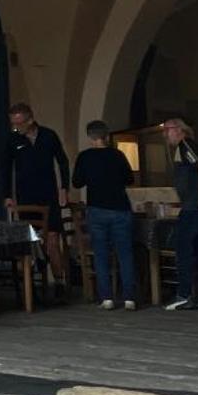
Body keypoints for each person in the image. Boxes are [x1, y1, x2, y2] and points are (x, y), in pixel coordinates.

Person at [71, 121, 137, 310]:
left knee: (100, 253)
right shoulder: (118, 155)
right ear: (106, 136)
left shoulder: (85, 157)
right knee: (125, 253)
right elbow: (129, 179)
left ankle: (107, 297)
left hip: (97, 209)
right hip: (120, 208)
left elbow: (77, 182)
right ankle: (129, 298)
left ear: (90, 137)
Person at [4, 102, 71, 280]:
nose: (16, 127)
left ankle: (59, 281)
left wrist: (64, 187)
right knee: (32, 241)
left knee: (52, 240)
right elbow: (5, 167)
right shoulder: (13, 139)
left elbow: (62, 161)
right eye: (13, 124)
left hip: (49, 195)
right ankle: (35, 280)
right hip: (26, 196)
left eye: (19, 123)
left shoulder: (48, 136)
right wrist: (7, 195)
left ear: (30, 120)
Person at [163, 117, 198, 310]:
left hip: (195, 206)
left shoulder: (187, 145)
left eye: (168, 129)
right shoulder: (181, 149)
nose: (166, 134)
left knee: (183, 247)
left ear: (179, 130)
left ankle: (184, 293)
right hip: (193, 204)